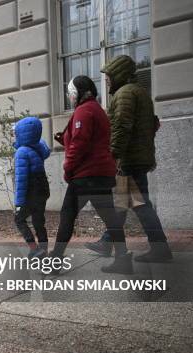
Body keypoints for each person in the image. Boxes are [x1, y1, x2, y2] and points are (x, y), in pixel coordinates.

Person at [85, 55, 173, 263]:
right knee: (122, 204)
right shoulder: (138, 92)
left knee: (141, 205)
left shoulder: (125, 94)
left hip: (129, 159)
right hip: (135, 158)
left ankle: (160, 249)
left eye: (109, 76)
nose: (106, 80)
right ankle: (107, 242)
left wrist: (113, 155)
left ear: (120, 75)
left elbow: (121, 127)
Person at [50, 75, 131, 274]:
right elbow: (90, 141)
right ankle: (123, 259)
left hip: (86, 176)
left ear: (77, 93)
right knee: (110, 218)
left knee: (67, 216)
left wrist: (68, 168)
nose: (69, 98)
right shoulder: (97, 110)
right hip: (101, 175)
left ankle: (54, 262)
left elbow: (80, 145)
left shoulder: (84, 111)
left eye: (70, 94)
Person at [13, 117, 51, 258]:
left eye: (16, 133)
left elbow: (21, 180)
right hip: (42, 190)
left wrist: (19, 203)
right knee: (38, 221)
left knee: (19, 219)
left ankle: (34, 249)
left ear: (22, 134)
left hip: (31, 192)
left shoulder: (22, 152)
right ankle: (44, 252)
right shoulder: (38, 149)